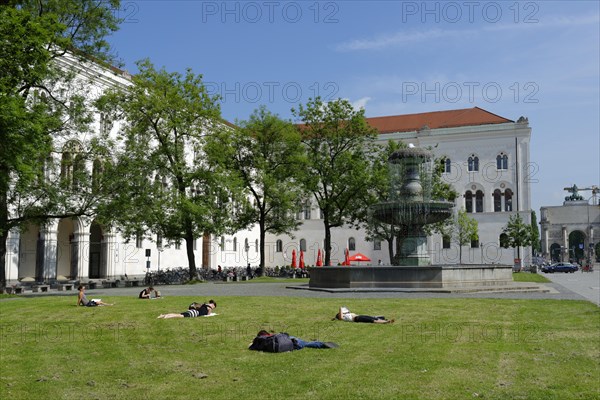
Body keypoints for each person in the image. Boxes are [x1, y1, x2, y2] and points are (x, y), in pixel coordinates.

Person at [249, 330, 338, 351]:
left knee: (305, 343)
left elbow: (251, 346)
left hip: (289, 346)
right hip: (292, 341)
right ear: (267, 334)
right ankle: (320, 343)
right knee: (306, 343)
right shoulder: (272, 336)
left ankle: (317, 342)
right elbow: (286, 334)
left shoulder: (259, 343)